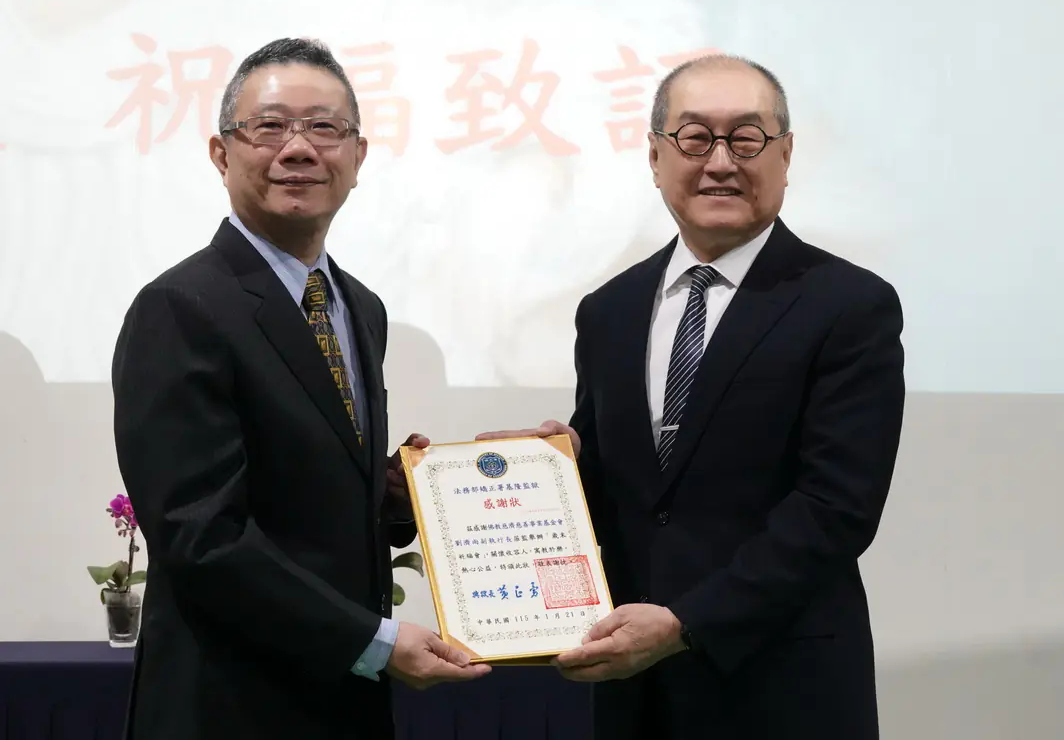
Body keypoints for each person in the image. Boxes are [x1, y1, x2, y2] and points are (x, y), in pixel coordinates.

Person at [477, 54, 904, 739]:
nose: (721, 162)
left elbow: (837, 508)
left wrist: (686, 624)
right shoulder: (608, 309)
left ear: (786, 154)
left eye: (747, 138)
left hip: (783, 688)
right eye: (696, 138)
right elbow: (629, 486)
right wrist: (551, 470)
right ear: (655, 156)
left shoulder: (849, 305)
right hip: (635, 694)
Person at [110, 37, 489, 740]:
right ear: (221, 154)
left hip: (342, 703)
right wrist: (374, 641)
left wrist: (395, 495)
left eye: (324, 128)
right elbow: (201, 536)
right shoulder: (181, 307)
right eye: (270, 127)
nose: (299, 149)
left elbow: (305, 486)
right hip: (228, 706)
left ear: (358, 157)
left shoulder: (359, 306)